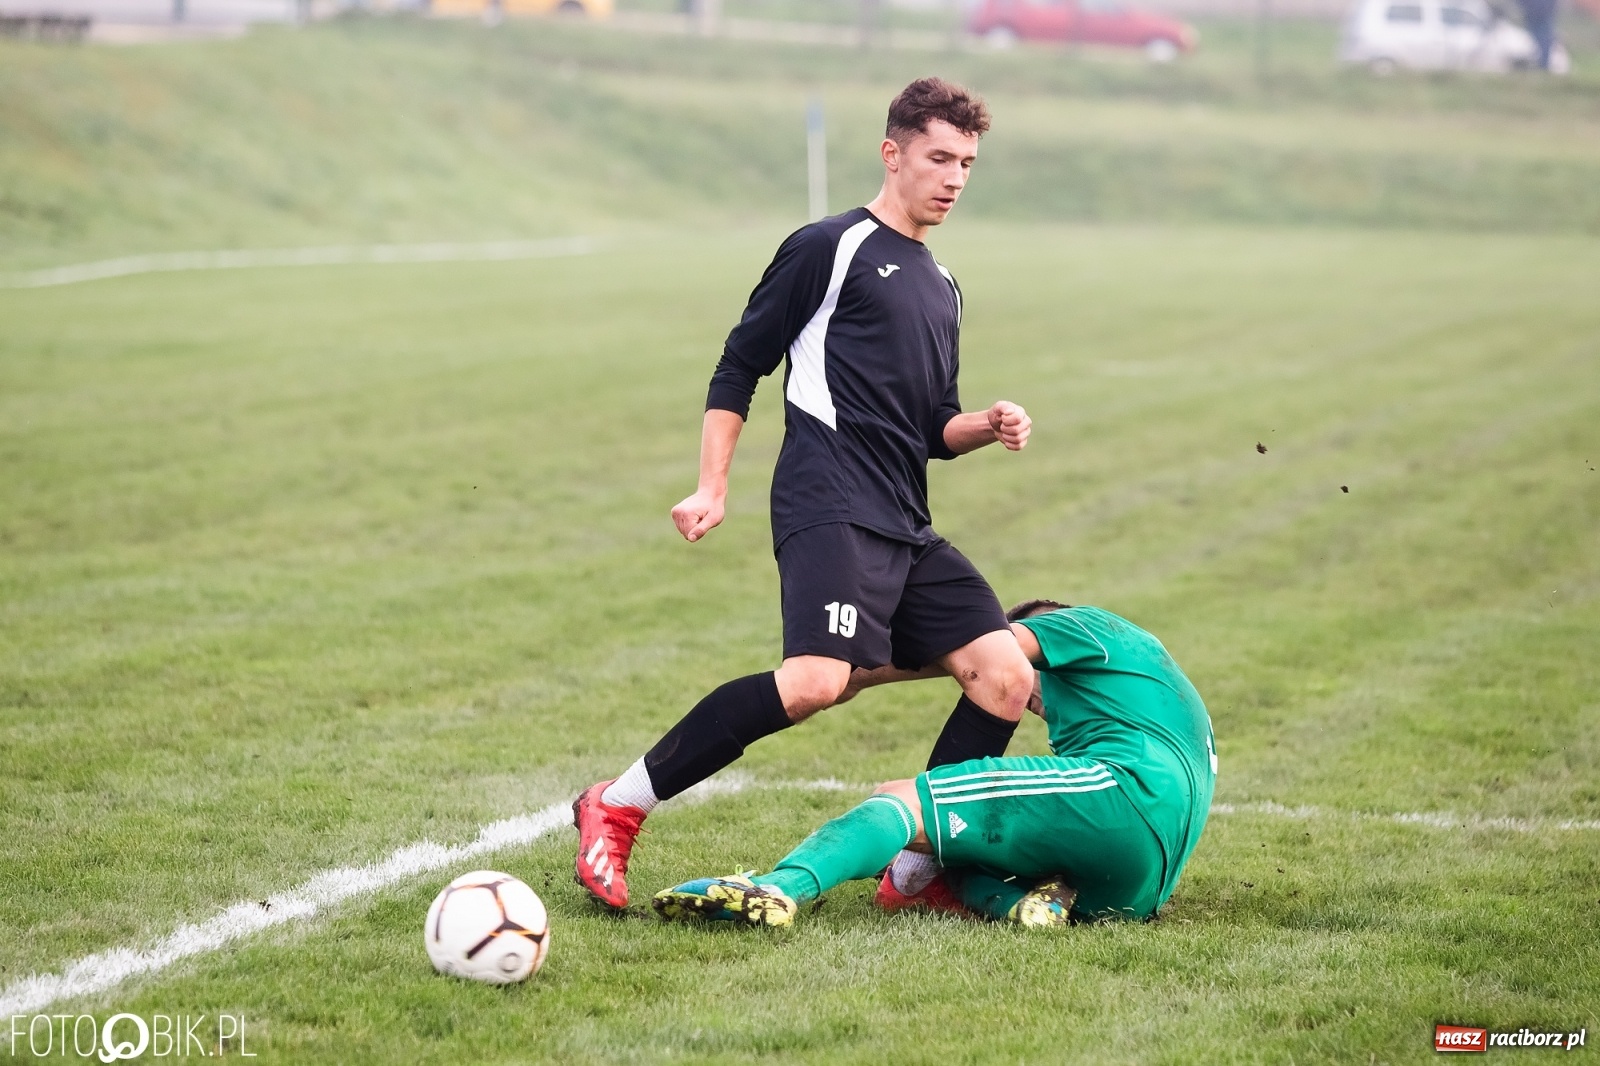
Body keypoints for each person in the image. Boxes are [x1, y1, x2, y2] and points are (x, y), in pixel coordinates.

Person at [572, 77, 1038, 910]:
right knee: (816, 681)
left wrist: (987, 423)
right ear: (892, 153)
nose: (954, 177)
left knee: (1003, 674)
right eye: (939, 158)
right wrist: (712, 486)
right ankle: (616, 804)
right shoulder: (830, 246)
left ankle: (914, 875)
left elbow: (933, 427)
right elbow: (739, 364)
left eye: (967, 163)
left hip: (904, 520)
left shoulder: (944, 287)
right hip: (828, 501)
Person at [651, 601, 1218, 927]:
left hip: (1126, 790)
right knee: (962, 849)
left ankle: (778, 889)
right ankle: (1023, 905)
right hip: (1142, 888)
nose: (1028, 693)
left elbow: (984, 653)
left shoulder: (1081, 623)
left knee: (901, 800)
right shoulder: (1151, 686)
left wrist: (857, 674)